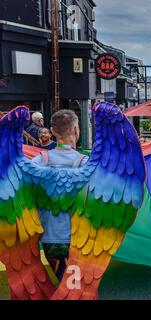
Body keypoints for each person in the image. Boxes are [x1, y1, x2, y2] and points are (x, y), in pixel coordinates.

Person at [32, 109, 88, 281]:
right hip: (80, 237)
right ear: (77, 130)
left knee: (66, 285)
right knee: (76, 289)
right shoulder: (86, 164)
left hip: (49, 237)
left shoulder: (38, 162)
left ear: (53, 131)